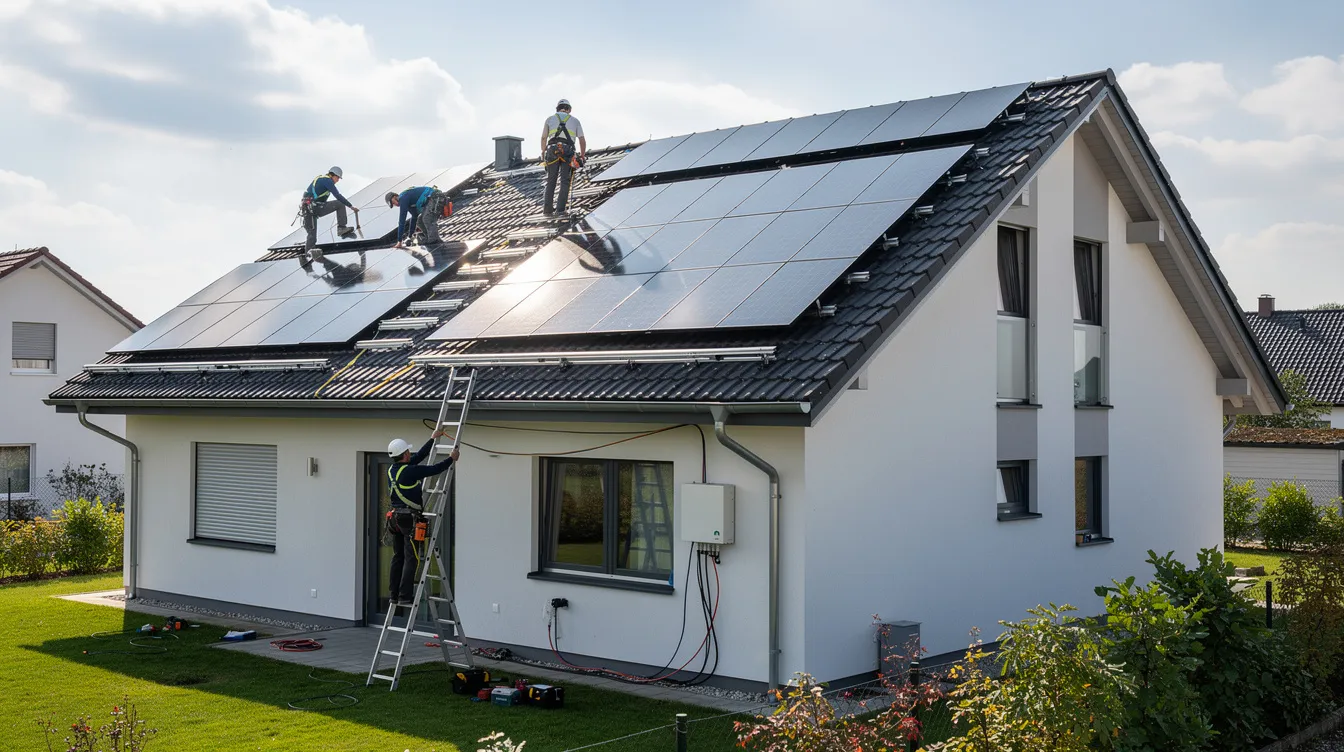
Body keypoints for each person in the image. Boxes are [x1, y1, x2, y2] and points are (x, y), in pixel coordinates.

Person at [385, 433, 459, 605]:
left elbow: (419, 457)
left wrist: (433, 438)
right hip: (408, 520)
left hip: (395, 519)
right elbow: (433, 469)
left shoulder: (392, 470)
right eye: (408, 452)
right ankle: (404, 596)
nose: (411, 454)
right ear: (404, 454)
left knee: (398, 557)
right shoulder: (410, 471)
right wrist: (451, 459)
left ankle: (394, 595)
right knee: (412, 558)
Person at [540, 99, 587, 216]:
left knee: (551, 180)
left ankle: (547, 210)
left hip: (552, 150)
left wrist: (543, 152)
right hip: (568, 150)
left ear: (558, 109)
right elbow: (582, 139)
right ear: (569, 109)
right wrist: (582, 155)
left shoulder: (549, 119)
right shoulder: (575, 121)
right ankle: (560, 210)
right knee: (565, 181)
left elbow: (543, 138)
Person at [301, 167, 359, 258]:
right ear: (332, 175)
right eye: (338, 177)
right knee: (340, 204)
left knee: (312, 236)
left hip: (309, 210)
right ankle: (341, 228)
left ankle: (308, 256)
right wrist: (351, 206)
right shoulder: (327, 181)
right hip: (313, 208)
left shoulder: (321, 179)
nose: (338, 180)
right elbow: (337, 195)